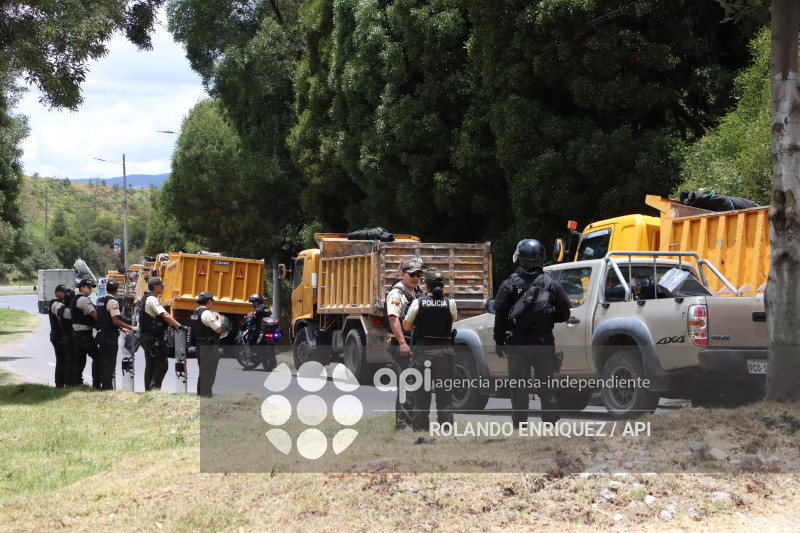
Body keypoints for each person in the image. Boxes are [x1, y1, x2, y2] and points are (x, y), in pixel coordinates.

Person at [493, 239, 571, 427]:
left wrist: (499, 342)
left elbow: (500, 316)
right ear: (541, 259)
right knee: (547, 385)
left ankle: (520, 425)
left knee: (519, 387)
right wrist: (547, 317)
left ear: (521, 259)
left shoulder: (509, 284)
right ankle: (550, 424)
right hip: (544, 342)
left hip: (518, 344)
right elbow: (565, 314)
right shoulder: (550, 283)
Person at [403, 268, 458, 432]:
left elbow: (407, 326)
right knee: (445, 394)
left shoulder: (418, 303)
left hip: (423, 354)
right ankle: (446, 428)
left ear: (426, 286)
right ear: (443, 286)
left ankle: (421, 428)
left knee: (421, 393)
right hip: (445, 354)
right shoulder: (450, 303)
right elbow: (452, 321)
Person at [385, 257, 424, 431]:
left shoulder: (416, 292)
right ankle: (402, 425)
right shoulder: (397, 294)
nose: (416, 278)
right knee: (407, 383)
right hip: (404, 345)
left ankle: (412, 423)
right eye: (412, 274)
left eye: (418, 275)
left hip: (413, 344)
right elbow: (393, 319)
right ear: (403, 275)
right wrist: (402, 342)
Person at [138, 276, 182, 391]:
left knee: (150, 366)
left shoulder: (145, 298)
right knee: (162, 365)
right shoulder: (152, 299)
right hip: (153, 338)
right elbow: (164, 315)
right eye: (161, 286)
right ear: (155, 287)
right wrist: (179, 326)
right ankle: (153, 391)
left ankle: (148, 392)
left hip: (146, 337)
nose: (163, 288)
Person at [94, 280, 137, 390]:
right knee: (109, 363)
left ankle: (97, 385)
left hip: (101, 334)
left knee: (101, 361)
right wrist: (131, 327)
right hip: (110, 336)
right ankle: (107, 388)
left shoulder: (100, 300)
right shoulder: (113, 302)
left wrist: (122, 327)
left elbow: (105, 319)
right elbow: (115, 321)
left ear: (106, 289)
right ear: (116, 290)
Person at [191, 291, 223, 397]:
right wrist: (219, 317)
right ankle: (206, 396)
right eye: (212, 302)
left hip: (199, 344)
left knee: (203, 372)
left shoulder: (195, 312)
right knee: (209, 372)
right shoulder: (207, 313)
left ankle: (200, 394)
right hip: (208, 345)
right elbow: (218, 328)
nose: (212, 304)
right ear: (209, 301)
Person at [70, 279, 99, 388]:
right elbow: (94, 314)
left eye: (91, 287)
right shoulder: (84, 300)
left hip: (77, 333)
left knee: (80, 359)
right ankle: (96, 384)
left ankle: (77, 383)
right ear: (82, 288)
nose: (91, 289)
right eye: (88, 287)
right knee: (97, 357)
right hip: (84, 334)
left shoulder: (75, 299)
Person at [48, 284, 68, 388]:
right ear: (57, 293)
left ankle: (61, 382)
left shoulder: (60, 302)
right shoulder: (56, 304)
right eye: (62, 292)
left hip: (58, 335)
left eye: (65, 292)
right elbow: (61, 316)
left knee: (63, 360)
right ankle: (59, 383)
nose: (64, 294)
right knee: (61, 360)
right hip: (58, 335)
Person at [57, 289, 77, 386]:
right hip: (69, 336)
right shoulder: (69, 311)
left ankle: (67, 381)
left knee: (67, 360)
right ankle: (69, 382)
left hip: (65, 335)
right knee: (71, 360)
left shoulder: (61, 309)